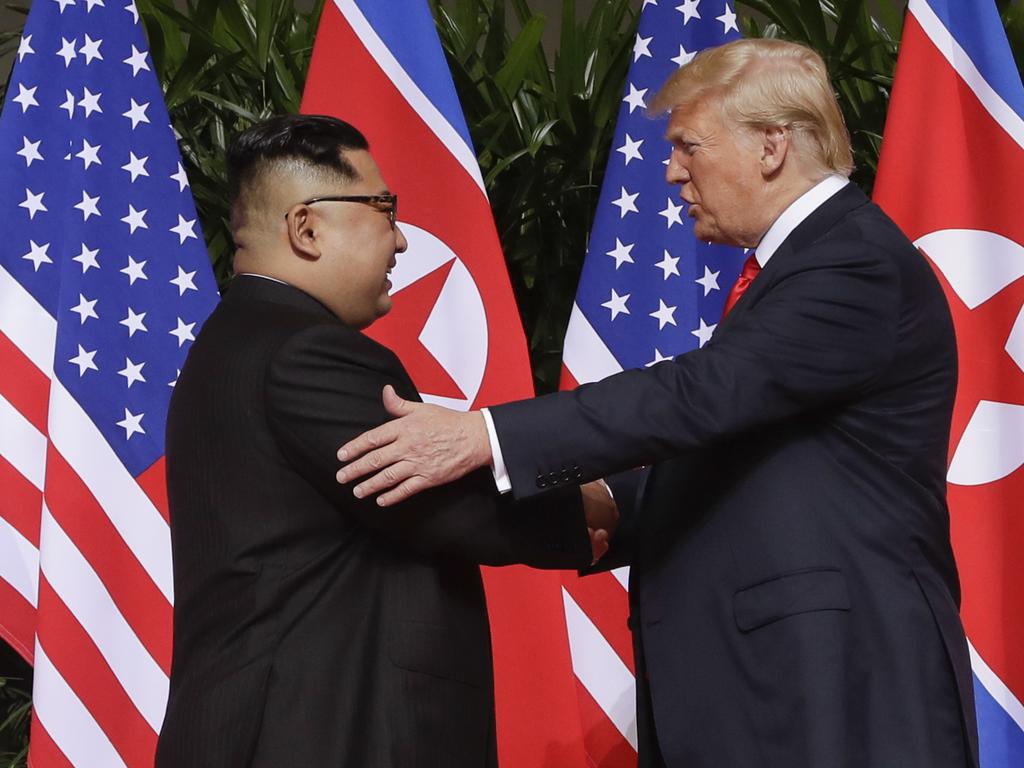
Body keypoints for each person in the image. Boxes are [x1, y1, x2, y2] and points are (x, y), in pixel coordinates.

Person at [335, 39, 980, 768]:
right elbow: (748, 447)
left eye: (688, 146)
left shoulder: (854, 262)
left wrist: (484, 434)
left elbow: (701, 394)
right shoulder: (801, 267)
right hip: (772, 688)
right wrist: (609, 500)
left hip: (834, 682)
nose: (673, 172)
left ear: (771, 145)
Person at [155, 114, 607, 768]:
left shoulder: (240, 341)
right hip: (317, 738)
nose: (399, 240)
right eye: (382, 209)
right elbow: (451, 502)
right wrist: (611, 509)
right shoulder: (303, 351)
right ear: (305, 227)